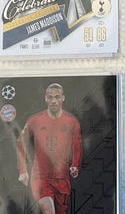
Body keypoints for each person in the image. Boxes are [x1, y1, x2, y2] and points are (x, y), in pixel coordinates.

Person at [17, 83, 82, 214]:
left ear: (63, 98)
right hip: (41, 177)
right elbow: (21, 142)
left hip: (62, 179)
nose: (53, 100)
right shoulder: (35, 120)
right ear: (45, 98)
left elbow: (77, 145)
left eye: (57, 97)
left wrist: (75, 165)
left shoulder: (72, 121)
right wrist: (23, 170)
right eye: (50, 97)